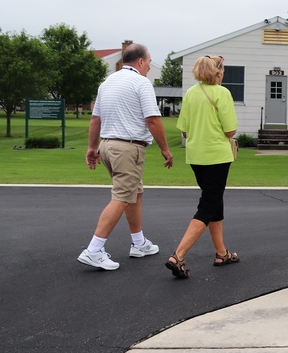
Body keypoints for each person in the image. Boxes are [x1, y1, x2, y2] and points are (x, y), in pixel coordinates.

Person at [78, 43, 173, 270]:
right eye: (149, 62)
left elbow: (95, 119)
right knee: (122, 196)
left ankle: (139, 243)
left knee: (134, 193)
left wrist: (92, 148)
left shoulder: (107, 82)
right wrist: (165, 149)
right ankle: (94, 249)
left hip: (107, 146)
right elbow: (152, 119)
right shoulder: (141, 83)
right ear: (140, 62)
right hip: (128, 148)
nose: (149, 67)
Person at [165, 55, 240, 279]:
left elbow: (184, 131)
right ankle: (178, 256)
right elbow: (230, 131)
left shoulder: (190, 93)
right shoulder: (222, 93)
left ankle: (222, 253)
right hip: (217, 156)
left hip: (196, 157)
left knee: (214, 201)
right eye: (223, 69)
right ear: (217, 72)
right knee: (207, 206)